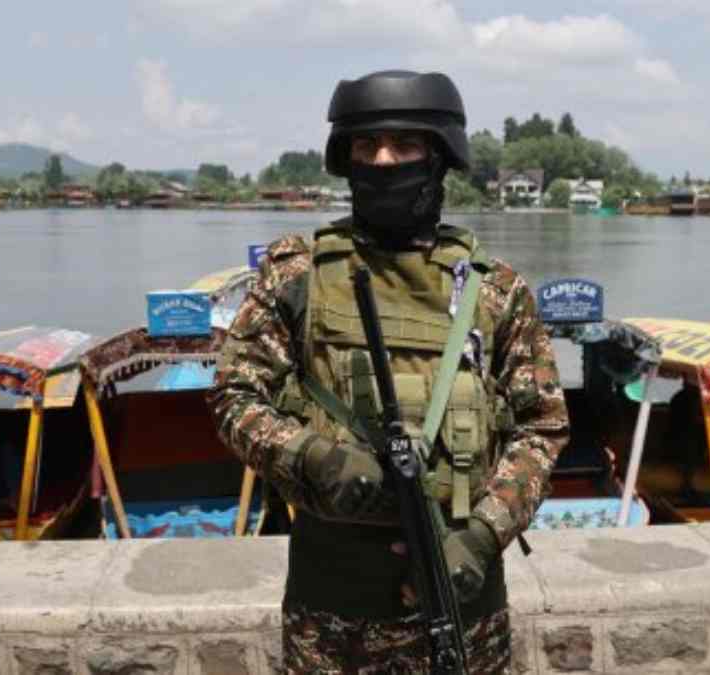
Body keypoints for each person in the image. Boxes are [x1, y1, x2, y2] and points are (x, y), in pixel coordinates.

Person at [208, 70, 569, 673]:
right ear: (344, 157)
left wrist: (483, 534)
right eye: (366, 145)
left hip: (464, 602)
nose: (382, 160)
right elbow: (235, 396)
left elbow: (542, 428)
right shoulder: (297, 276)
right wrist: (312, 456)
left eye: (404, 145)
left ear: (439, 156)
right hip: (332, 615)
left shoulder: (495, 292)